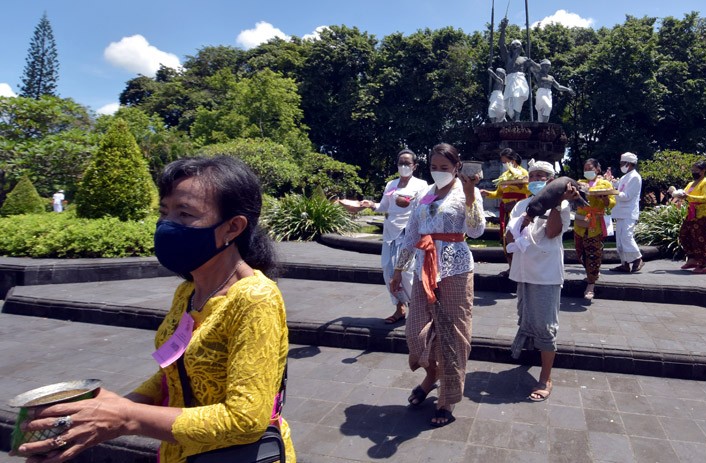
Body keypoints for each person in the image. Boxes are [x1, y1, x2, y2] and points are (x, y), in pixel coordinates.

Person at [12, 156, 296, 463]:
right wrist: (115, 409)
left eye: (184, 214)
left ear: (233, 227)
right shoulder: (188, 290)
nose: (168, 225)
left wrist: (128, 417)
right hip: (176, 453)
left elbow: (246, 420)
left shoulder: (255, 298)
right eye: (165, 212)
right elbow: (175, 371)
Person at [390, 143, 485, 427]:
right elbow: (412, 234)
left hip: (455, 268)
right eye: (434, 167)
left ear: (457, 167)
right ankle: (432, 375)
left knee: (454, 333)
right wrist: (398, 269)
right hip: (424, 268)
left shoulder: (467, 191)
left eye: (445, 167)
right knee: (415, 331)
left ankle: (448, 397)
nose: (439, 172)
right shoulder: (424, 193)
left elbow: (477, 230)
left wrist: (469, 196)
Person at [505, 160, 577, 401]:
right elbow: (508, 236)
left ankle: (546, 377)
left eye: (542, 175)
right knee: (526, 316)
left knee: (546, 325)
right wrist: (522, 221)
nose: (537, 178)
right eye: (533, 174)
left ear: (551, 181)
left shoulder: (563, 206)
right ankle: (527, 357)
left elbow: (552, 232)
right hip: (524, 271)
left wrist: (555, 204)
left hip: (546, 274)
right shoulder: (520, 205)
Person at [355, 149, 429, 323]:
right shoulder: (391, 184)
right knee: (388, 269)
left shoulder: (421, 185)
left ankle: (417, 307)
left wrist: (408, 203)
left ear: (414, 166)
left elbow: (425, 207)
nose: (403, 166)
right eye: (400, 163)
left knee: (406, 272)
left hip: (408, 232)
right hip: (390, 232)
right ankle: (399, 307)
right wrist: (370, 204)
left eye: (407, 163)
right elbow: (384, 206)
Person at [480, 148, 529, 272]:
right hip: (506, 210)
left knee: (519, 236)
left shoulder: (523, 173)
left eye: (506, 161)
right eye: (502, 162)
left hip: (519, 208)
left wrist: (517, 198)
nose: (505, 164)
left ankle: (521, 267)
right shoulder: (504, 176)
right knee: (505, 237)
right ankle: (511, 266)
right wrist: (488, 193)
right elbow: (499, 193)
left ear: (513, 160)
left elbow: (529, 190)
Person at [574, 158, 616, 299]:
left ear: (597, 169)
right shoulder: (580, 183)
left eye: (590, 168)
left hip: (595, 223)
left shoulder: (604, 183)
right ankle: (591, 273)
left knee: (593, 253)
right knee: (580, 252)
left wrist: (604, 197)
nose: (587, 171)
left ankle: (591, 283)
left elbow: (610, 203)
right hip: (580, 222)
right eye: (585, 169)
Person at [673, 160, 706, 274]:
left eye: (696, 170)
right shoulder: (691, 183)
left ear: (703, 171)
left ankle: (703, 264)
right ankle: (692, 259)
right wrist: (676, 194)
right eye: (692, 170)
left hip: (703, 214)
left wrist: (688, 196)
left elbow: (705, 198)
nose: (693, 172)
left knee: (699, 239)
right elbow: (684, 194)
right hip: (691, 213)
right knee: (684, 235)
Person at [610, 152, 644, 273]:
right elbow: (617, 186)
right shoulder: (625, 177)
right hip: (621, 212)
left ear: (629, 164)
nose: (621, 165)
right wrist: (611, 181)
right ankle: (624, 263)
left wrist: (613, 192)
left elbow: (627, 196)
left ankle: (638, 258)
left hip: (629, 212)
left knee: (626, 237)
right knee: (619, 239)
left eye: (622, 163)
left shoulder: (635, 177)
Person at [498, 18, 531, 121]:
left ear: (521, 47)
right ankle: (513, 118)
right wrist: (503, 29)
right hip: (510, 80)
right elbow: (501, 44)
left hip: (520, 81)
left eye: (517, 45)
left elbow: (536, 69)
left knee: (517, 97)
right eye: (513, 45)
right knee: (507, 104)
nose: (515, 46)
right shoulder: (507, 57)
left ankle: (517, 119)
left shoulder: (524, 59)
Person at [526, 58, 575, 123]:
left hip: (548, 94)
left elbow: (558, 86)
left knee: (546, 111)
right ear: (542, 66)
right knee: (547, 106)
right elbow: (533, 67)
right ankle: (543, 125)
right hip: (541, 92)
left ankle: (543, 125)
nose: (547, 68)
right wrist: (531, 61)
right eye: (546, 66)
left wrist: (568, 89)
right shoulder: (538, 73)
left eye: (549, 67)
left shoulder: (551, 77)